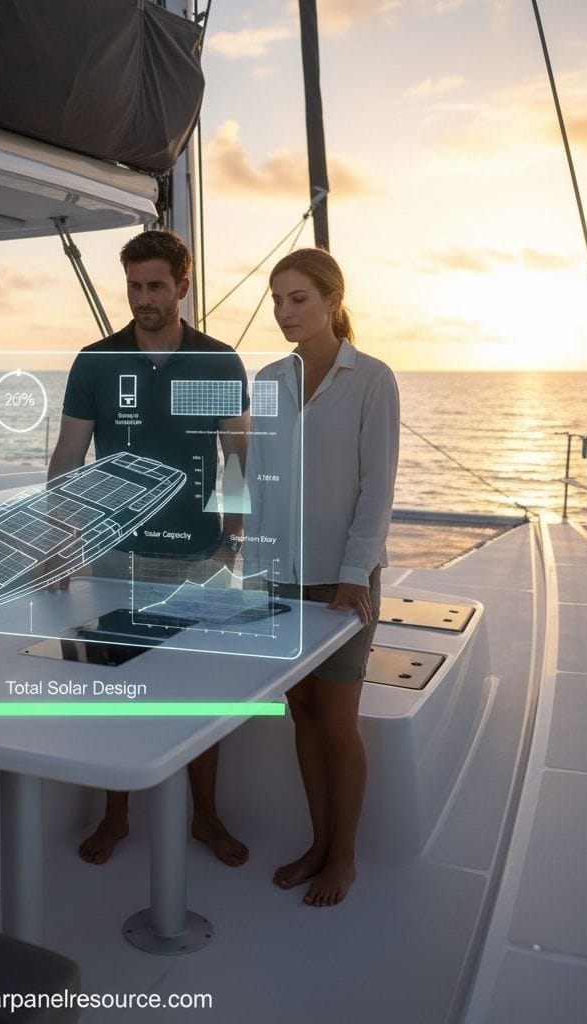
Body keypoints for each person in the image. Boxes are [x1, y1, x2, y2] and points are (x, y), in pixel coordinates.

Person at [47, 228, 251, 867]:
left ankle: (207, 819)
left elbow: (240, 455)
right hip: (112, 559)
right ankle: (116, 816)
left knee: (202, 690)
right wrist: (58, 539)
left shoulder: (219, 362)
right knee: (112, 686)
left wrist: (233, 537)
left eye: (156, 285)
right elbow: (68, 457)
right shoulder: (95, 362)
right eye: (134, 286)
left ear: (182, 287)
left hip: (193, 555)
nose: (143, 298)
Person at [246, 247, 399, 907]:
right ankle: (316, 842)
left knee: (338, 721)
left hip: (344, 582)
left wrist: (352, 574)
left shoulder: (372, 379)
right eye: (277, 299)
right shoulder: (268, 380)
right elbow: (261, 482)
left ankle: (344, 856)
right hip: (281, 580)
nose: (283, 312)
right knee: (300, 712)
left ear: (333, 300)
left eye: (298, 298)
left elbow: (377, 489)